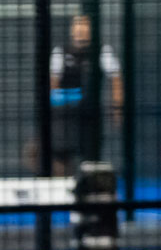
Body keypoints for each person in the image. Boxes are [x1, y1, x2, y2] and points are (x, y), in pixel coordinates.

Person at [49, 12, 122, 174]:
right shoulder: (60, 52)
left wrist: (117, 108)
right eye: (77, 24)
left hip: (91, 116)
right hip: (65, 115)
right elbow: (53, 85)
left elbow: (116, 79)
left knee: (90, 156)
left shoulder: (103, 51)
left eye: (85, 24)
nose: (81, 28)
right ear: (71, 29)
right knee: (61, 157)